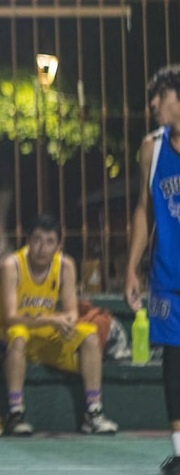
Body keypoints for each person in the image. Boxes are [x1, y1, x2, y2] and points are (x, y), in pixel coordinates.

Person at [0, 213, 118, 436]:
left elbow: (70, 312)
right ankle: (15, 413)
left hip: (41, 334)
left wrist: (64, 321)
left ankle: (93, 412)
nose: (42, 248)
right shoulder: (12, 265)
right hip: (6, 335)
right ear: (28, 241)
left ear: (58, 245)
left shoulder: (65, 265)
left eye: (50, 242)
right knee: (18, 334)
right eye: (37, 240)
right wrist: (51, 318)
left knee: (88, 335)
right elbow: (11, 317)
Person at [124, 64, 180, 474]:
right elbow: (144, 213)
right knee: (174, 362)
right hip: (168, 275)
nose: (153, 104)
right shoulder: (152, 148)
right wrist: (131, 269)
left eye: (160, 96)